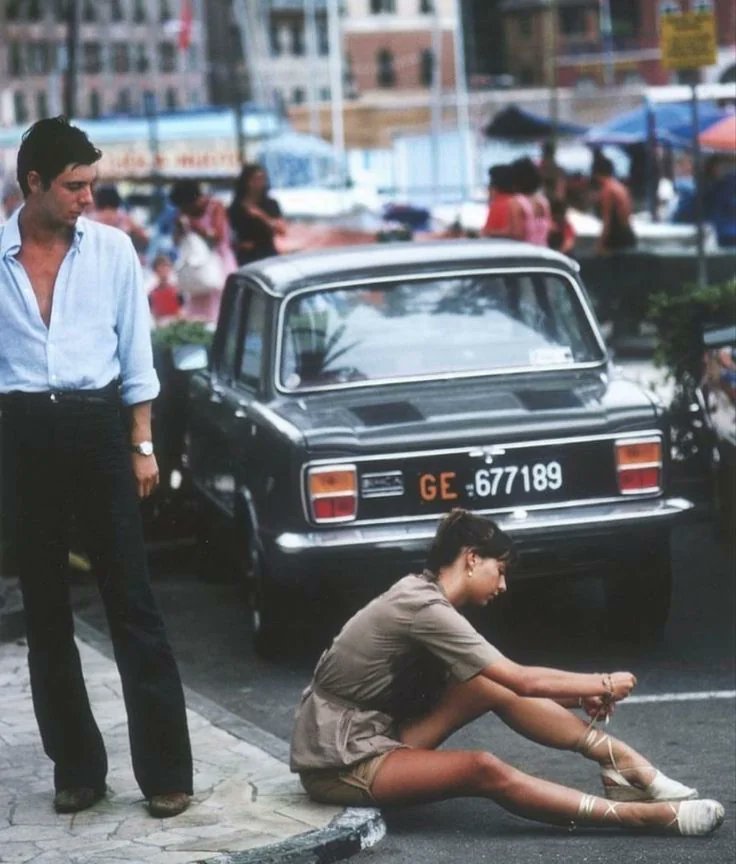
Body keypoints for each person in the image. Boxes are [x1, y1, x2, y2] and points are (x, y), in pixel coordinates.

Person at [290, 509, 725, 836]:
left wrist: (576, 697)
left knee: (483, 685)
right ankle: (638, 815)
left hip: (376, 734)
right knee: (483, 767)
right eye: (500, 571)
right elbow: (521, 679)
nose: (503, 586)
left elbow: (499, 683)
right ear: (472, 558)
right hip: (342, 761)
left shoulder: (428, 599)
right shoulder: (422, 607)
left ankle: (623, 766)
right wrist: (603, 683)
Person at [0, 117, 193, 818]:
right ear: (34, 184)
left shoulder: (111, 250)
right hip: (20, 433)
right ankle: (76, 769)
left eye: (92, 184)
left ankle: (167, 773)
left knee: (132, 601)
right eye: (75, 186)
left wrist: (142, 443)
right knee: (45, 609)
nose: (89, 197)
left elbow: (136, 351)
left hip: (97, 427)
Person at [170, 179, 236, 322]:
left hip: (219, 264)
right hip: (196, 271)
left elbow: (217, 236)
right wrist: (180, 227)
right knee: (198, 314)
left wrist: (192, 225)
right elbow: (176, 241)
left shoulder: (215, 207)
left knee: (220, 309)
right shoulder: (182, 213)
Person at [227, 163, 286, 266]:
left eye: (262, 179)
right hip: (246, 256)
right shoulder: (235, 207)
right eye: (255, 179)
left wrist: (261, 215)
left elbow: (281, 230)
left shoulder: (271, 204)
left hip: (267, 253)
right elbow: (228, 233)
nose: (260, 182)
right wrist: (238, 245)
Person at [89, 184, 149, 260]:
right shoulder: (124, 217)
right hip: (120, 257)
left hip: (97, 258)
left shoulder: (91, 218)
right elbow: (144, 237)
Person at [591, 155, 636, 255]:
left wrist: (600, 244)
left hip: (618, 237)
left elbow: (607, 220)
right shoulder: (620, 187)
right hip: (628, 233)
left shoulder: (608, 190)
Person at [511, 156, 552, 247]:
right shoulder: (543, 202)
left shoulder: (517, 202)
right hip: (543, 252)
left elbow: (517, 234)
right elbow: (549, 228)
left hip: (524, 253)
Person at [480, 164, 524, 240]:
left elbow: (488, 232)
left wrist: (486, 232)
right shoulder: (520, 201)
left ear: (494, 187)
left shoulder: (498, 205)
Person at [148, 253, 183, 324]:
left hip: (176, 325)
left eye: (166, 266)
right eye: (161, 267)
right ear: (155, 271)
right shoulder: (151, 294)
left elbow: (182, 310)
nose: (164, 269)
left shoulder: (177, 290)